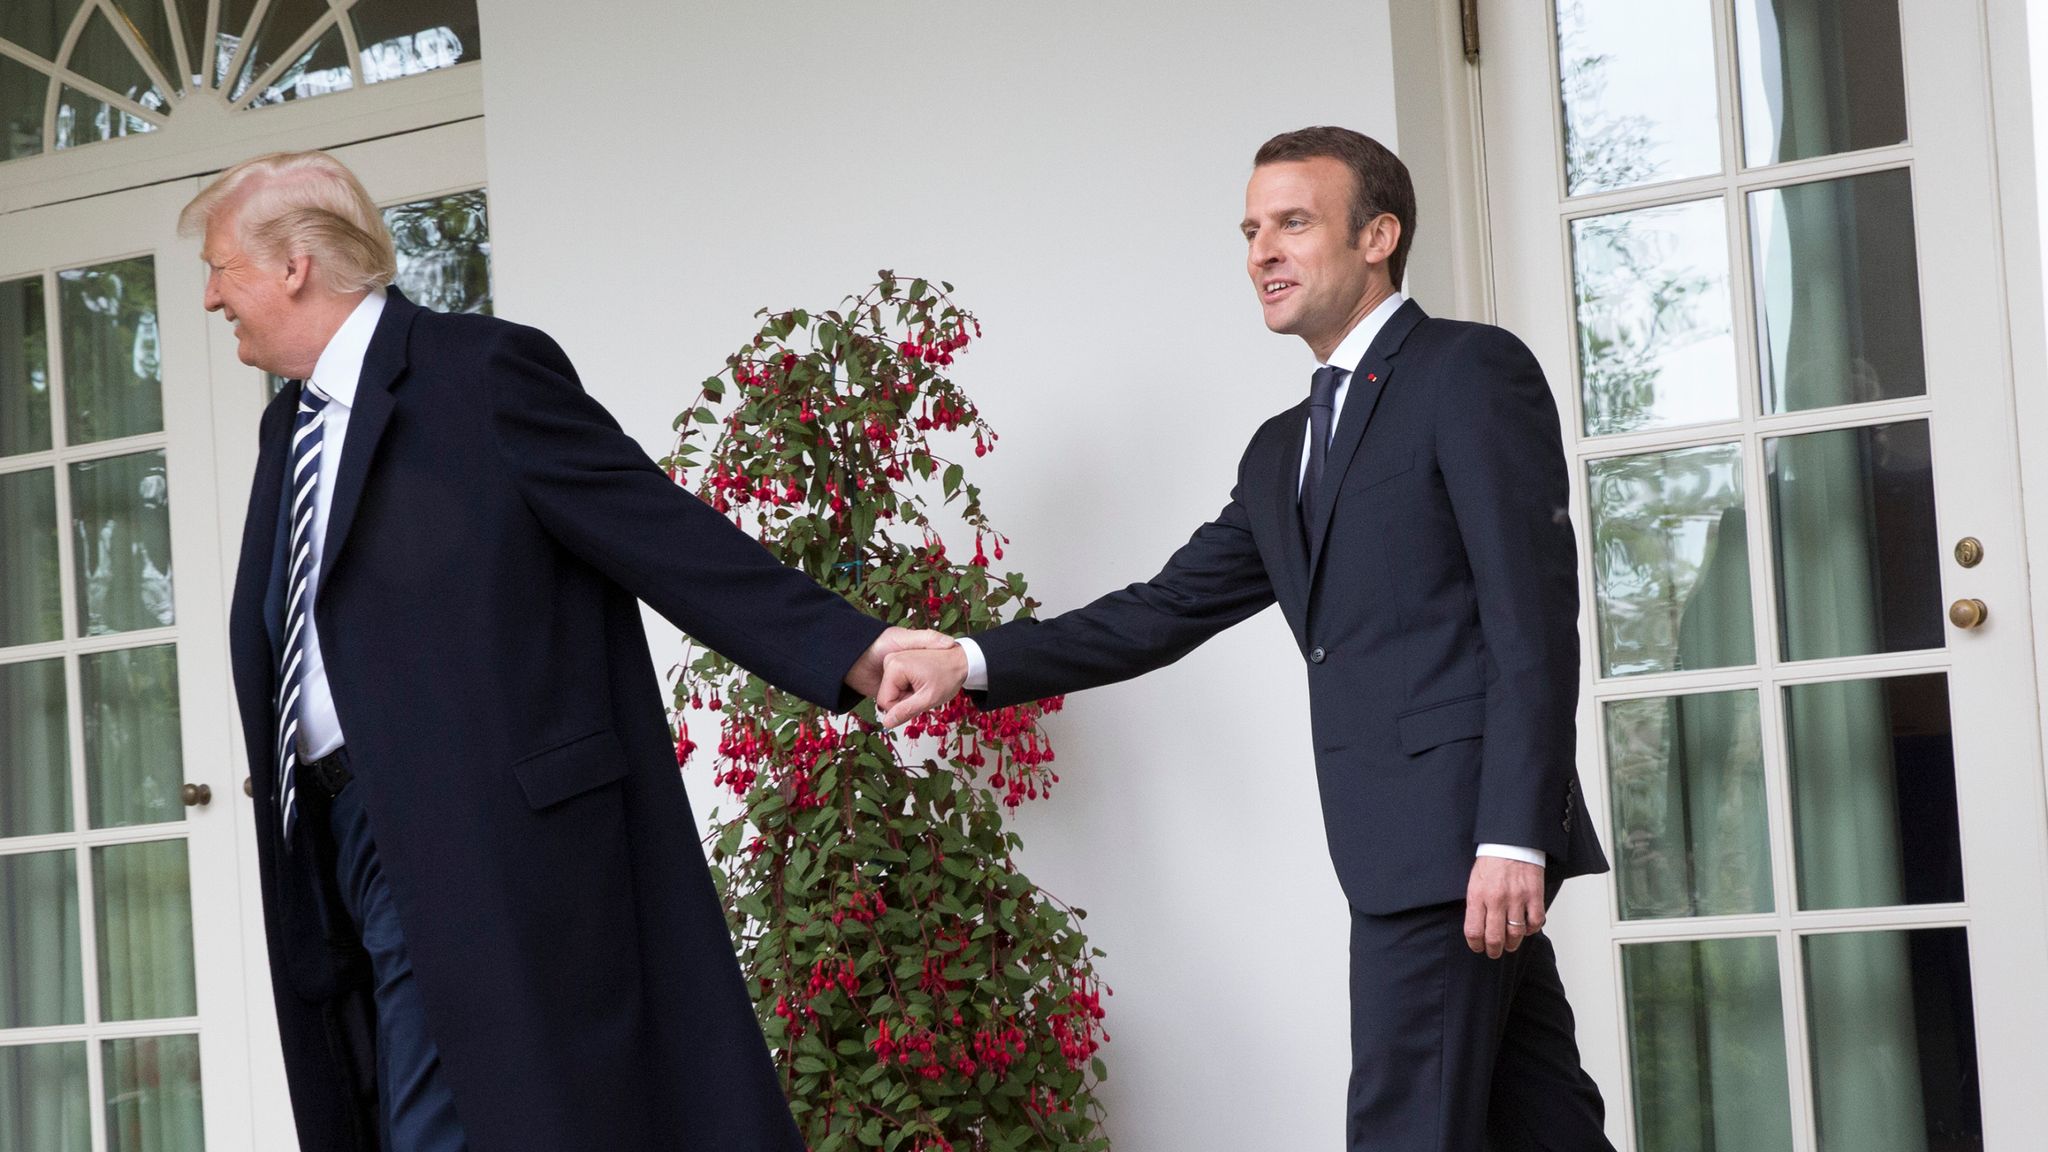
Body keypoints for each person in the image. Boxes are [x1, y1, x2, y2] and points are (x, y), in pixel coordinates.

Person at [186, 150, 950, 1152]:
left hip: (484, 831)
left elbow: (651, 526)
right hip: (333, 834)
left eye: (220, 267)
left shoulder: (478, 371)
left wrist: (848, 647)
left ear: (292, 264)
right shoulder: (288, 428)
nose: (208, 298)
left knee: (445, 1122)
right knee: (390, 1105)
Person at [876, 127, 1616, 1150]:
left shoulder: (1465, 372)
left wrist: (1510, 832)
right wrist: (969, 661)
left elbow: (1530, 620)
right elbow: (1162, 610)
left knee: (1405, 1126)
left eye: (1292, 222)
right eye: (1250, 229)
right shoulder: (1281, 452)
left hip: (1451, 843)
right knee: (1539, 1122)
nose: (1260, 250)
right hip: (1392, 846)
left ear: (1377, 236)